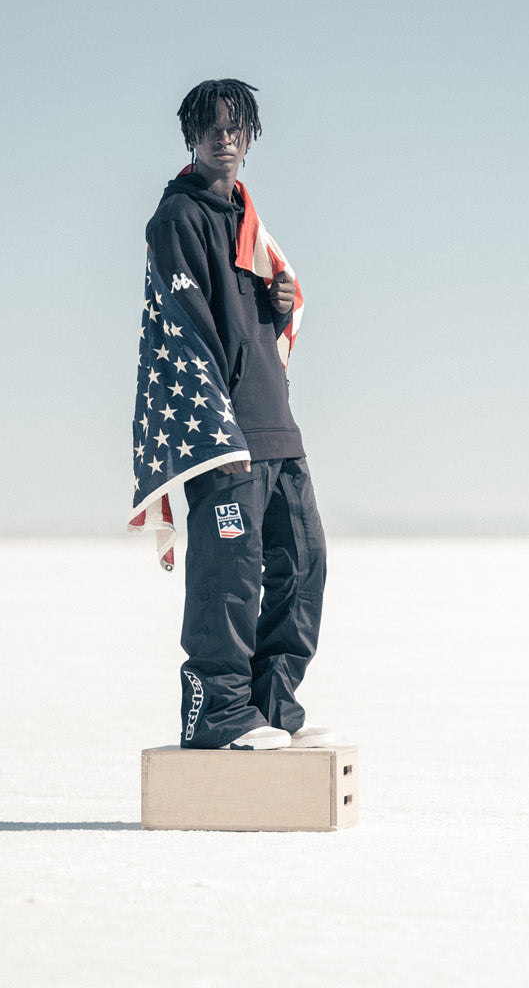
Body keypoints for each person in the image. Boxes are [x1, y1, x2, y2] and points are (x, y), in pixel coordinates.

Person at [143, 79, 331, 751]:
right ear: (192, 136)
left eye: (236, 127)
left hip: (276, 423)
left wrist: (277, 301)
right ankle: (217, 712)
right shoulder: (178, 220)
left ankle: (271, 705)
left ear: (250, 140)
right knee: (229, 572)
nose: (224, 137)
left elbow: (249, 329)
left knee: (303, 564)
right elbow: (192, 328)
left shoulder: (251, 226)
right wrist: (220, 426)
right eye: (211, 126)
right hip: (224, 431)